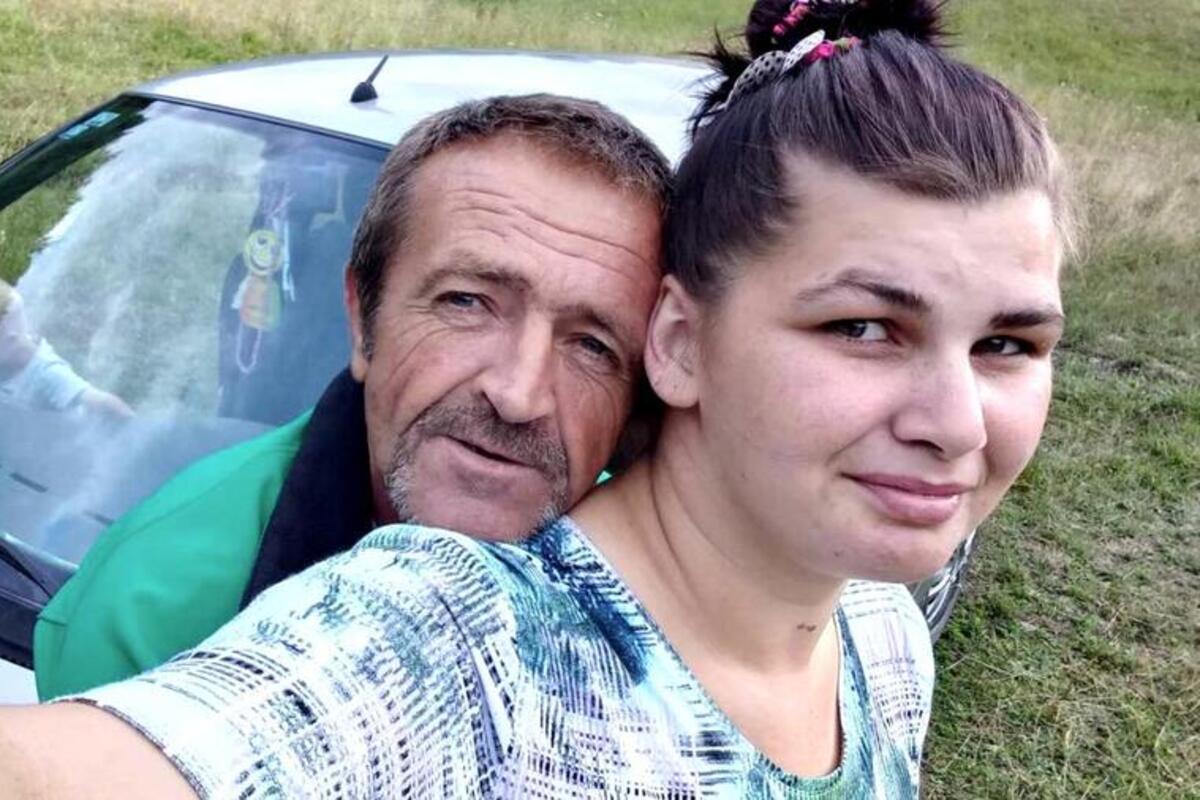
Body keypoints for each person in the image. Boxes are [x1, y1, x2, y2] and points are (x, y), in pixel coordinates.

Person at [0, 0, 1073, 796]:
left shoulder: (880, 631)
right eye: (863, 327)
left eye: (1009, 343)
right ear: (682, 345)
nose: (958, 423)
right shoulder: (445, 640)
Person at [32, 94, 670, 700]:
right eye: (467, 302)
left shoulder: (680, 608)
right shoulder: (155, 616)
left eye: (592, 345)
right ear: (364, 319)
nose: (518, 395)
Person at [0, 280, 132, 422]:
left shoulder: (48, 375)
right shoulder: (8, 364)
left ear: (10, 337)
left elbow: (105, 403)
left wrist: (135, 429)